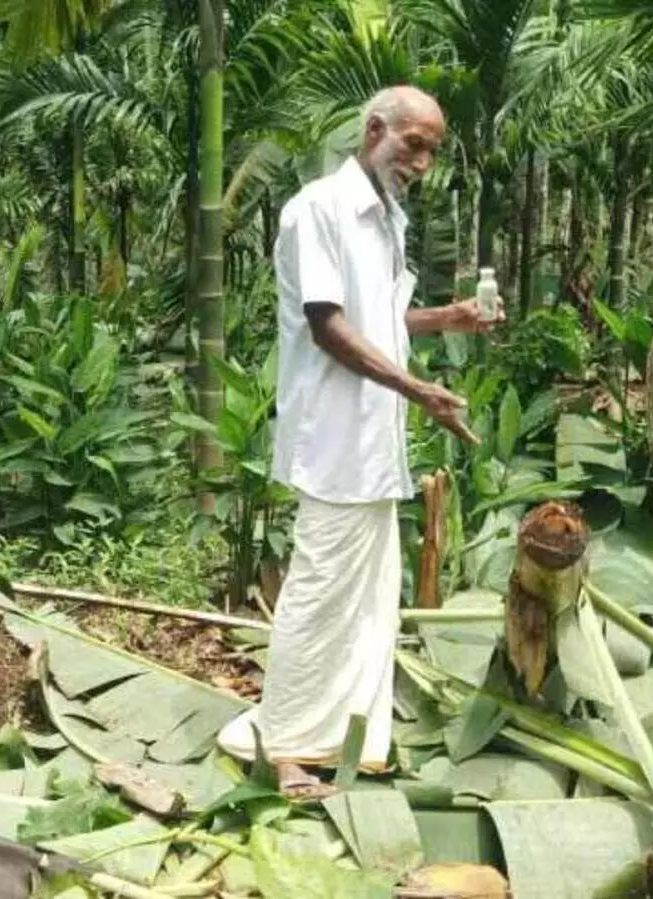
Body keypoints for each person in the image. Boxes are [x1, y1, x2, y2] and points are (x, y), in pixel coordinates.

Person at [215, 85, 504, 800]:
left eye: (433, 151)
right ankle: (286, 747)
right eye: (414, 144)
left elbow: (380, 318)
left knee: (369, 603)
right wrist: (419, 390)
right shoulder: (319, 208)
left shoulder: (386, 219)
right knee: (319, 594)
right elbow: (329, 326)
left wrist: (447, 318)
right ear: (375, 129)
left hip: (375, 444)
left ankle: (345, 738)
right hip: (335, 440)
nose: (423, 163)